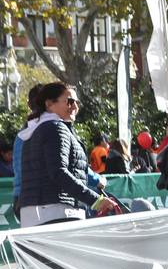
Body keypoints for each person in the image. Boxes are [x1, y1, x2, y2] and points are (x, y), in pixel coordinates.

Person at [17, 83, 120, 226]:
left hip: (38, 211)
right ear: (49, 104)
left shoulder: (37, 129)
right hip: (55, 210)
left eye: (77, 102)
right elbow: (59, 172)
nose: (75, 107)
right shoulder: (55, 128)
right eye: (69, 101)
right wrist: (96, 200)